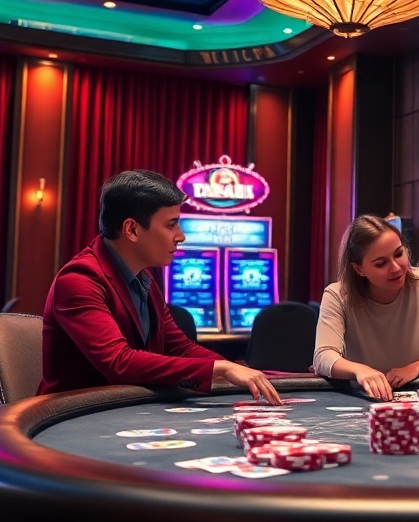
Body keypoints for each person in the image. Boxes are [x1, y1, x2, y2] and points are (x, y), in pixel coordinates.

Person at [39, 169, 279, 404]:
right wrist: (219, 368)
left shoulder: (144, 278)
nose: (181, 236)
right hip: (74, 419)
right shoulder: (79, 279)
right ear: (131, 229)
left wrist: (237, 371)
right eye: (171, 224)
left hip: (126, 410)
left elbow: (180, 348)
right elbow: (118, 363)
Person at [314, 215, 419, 400]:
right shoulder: (337, 295)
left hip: (418, 395)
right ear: (359, 269)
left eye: (399, 254)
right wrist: (361, 371)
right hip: (361, 398)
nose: (396, 268)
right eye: (381, 264)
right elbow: (323, 357)